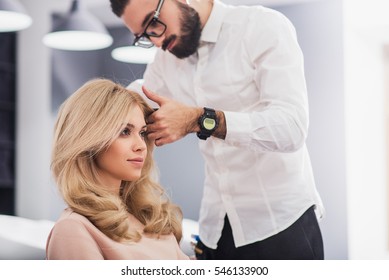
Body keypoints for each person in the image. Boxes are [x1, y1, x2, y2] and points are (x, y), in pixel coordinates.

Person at [109, 0, 325, 260]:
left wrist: (200, 119)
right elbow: (136, 101)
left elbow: (291, 128)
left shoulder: (261, 27)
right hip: (215, 231)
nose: (155, 41)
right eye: (144, 36)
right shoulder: (165, 61)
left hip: (282, 226)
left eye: (153, 22)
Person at [46, 78, 189, 260]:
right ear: (89, 140)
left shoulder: (146, 217)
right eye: (125, 132)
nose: (141, 146)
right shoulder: (73, 229)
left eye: (142, 133)